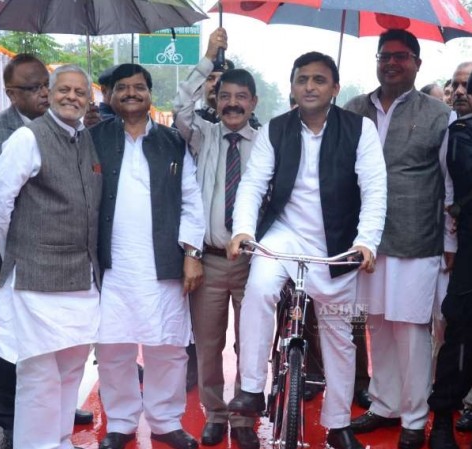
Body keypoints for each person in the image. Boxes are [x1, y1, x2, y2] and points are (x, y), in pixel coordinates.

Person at [226, 51, 387, 449]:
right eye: (302, 80)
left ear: (334, 87)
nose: (310, 87)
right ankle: (251, 388)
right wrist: (243, 230)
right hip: (282, 234)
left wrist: (366, 241)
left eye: (319, 80)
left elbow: (374, 189)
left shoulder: (359, 129)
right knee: (259, 291)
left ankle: (337, 425)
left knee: (339, 335)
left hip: (337, 243)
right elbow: (252, 185)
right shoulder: (276, 130)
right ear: (292, 87)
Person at [345, 29, 455, 449]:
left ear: (417, 64)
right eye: (384, 55)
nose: (391, 63)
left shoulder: (437, 114)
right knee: (376, 325)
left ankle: (414, 416)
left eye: (401, 56)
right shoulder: (354, 109)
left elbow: (447, 183)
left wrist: (449, 242)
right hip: (365, 241)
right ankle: (385, 404)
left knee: (410, 329)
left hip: (417, 239)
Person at [0, 54, 92, 449]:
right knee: (39, 374)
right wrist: (18, 252)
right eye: (63, 89)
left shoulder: (84, 137)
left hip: (81, 278)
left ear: (89, 100)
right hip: (35, 279)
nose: (70, 97)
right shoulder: (27, 137)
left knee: (71, 367)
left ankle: (59, 439)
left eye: (79, 92)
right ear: (49, 93)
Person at [89, 63, 205, 449]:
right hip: (112, 265)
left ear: (150, 94)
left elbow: (192, 201)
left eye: (139, 87)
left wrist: (192, 252)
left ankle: (165, 421)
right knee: (113, 347)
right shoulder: (94, 138)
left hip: (165, 264)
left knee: (168, 348)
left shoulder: (172, 141)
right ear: (110, 95)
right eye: (122, 87)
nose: (132, 93)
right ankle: (120, 422)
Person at [173, 28, 260, 449]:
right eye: (225, 95)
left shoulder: (265, 146)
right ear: (216, 99)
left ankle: (243, 417)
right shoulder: (201, 135)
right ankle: (216, 414)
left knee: (253, 342)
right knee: (208, 346)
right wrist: (208, 58)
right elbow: (178, 106)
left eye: (241, 96)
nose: (232, 103)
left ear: (253, 103)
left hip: (253, 263)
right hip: (207, 260)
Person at [428, 65, 472, 449]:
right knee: (459, 334)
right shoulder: (462, 134)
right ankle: (443, 414)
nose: (460, 93)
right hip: (471, 249)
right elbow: (459, 182)